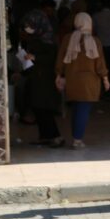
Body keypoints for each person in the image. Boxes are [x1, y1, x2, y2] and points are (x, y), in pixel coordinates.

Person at [55, 13, 110, 149]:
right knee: (83, 111)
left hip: (73, 80)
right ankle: (77, 139)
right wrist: (105, 79)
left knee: (76, 109)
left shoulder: (68, 39)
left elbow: (61, 58)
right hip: (90, 82)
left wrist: (58, 75)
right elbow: (100, 63)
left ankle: (75, 136)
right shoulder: (95, 41)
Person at [21, 12, 63, 147]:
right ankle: (45, 136)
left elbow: (51, 59)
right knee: (37, 107)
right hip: (36, 77)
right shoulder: (34, 38)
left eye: (30, 25)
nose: (27, 28)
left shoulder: (49, 41)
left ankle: (56, 136)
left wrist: (35, 57)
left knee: (44, 108)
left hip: (45, 79)